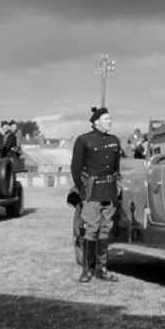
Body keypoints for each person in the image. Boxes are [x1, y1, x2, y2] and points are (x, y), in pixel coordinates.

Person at [71, 107, 122, 283]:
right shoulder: (84, 140)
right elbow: (75, 169)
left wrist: (117, 186)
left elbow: (116, 168)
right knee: (91, 229)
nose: (110, 121)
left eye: (110, 119)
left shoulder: (115, 141)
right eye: (107, 119)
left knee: (105, 230)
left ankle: (102, 269)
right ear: (96, 122)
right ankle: (87, 270)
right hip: (92, 193)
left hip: (109, 192)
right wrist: (82, 190)